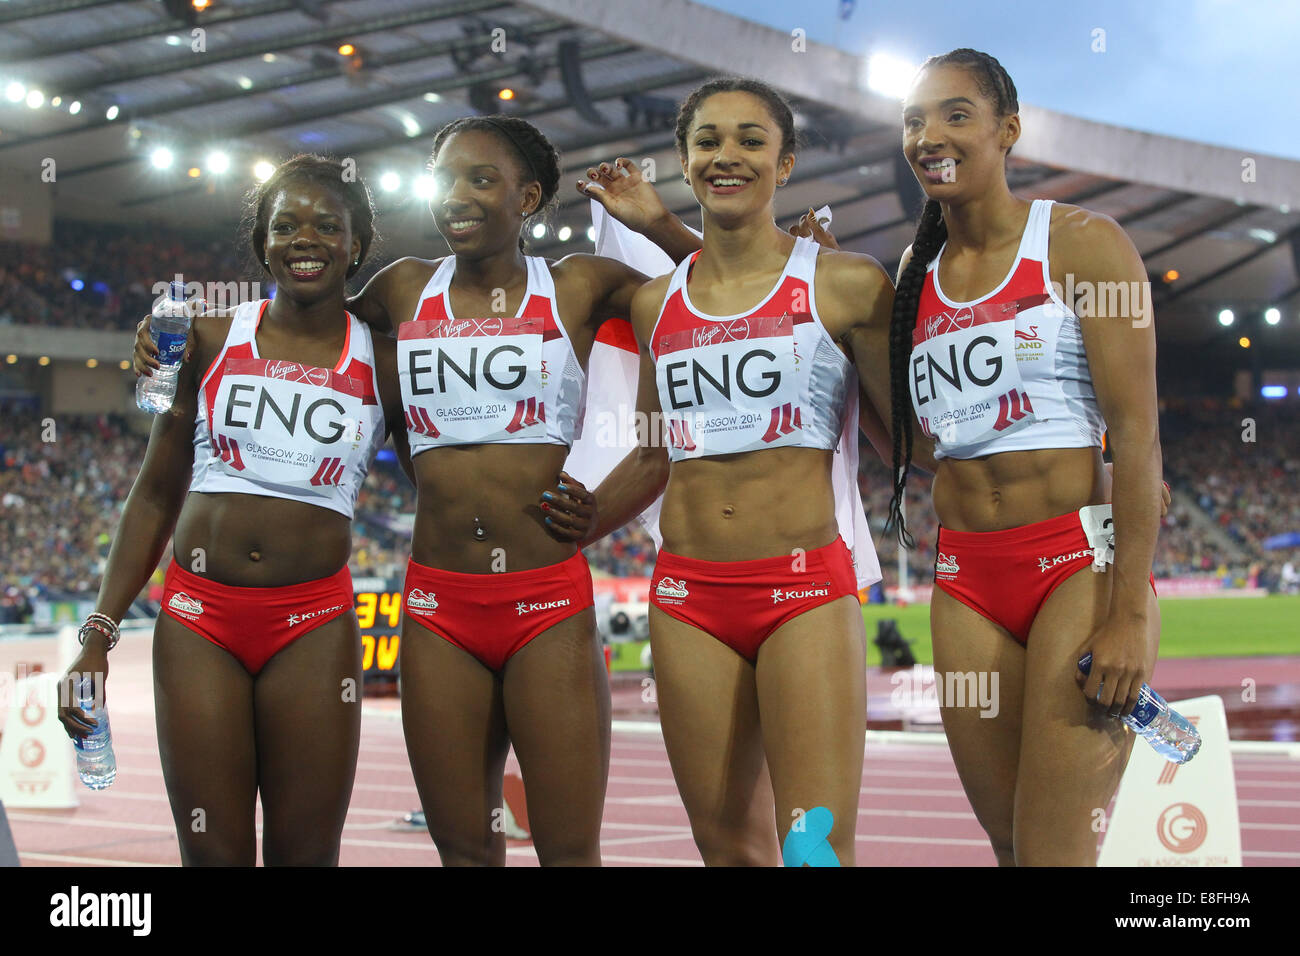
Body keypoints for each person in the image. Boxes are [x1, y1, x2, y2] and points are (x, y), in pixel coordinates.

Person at [136, 118, 701, 865]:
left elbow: (717, 299)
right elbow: (298, 317)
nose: (457, 197)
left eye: (482, 179)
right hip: (438, 609)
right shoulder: (402, 287)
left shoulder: (579, 285)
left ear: (529, 196)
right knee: (464, 851)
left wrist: (661, 225)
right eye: (446, 180)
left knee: (568, 852)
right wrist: (170, 334)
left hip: (546, 602)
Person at [556, 78, 899, 866]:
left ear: (785, 163)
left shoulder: (847, 284)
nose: (727, 155)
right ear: (684, 158)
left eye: (751, 139)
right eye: (708, 141)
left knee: (815, 847)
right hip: (686, 596)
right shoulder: (654, 304)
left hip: (805, 592)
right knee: (723, 845)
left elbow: (905, 439)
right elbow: (649, 454)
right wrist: (583, 521)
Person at [59, 155, 409, 866]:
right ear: (262, 245)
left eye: (325, 227)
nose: (303, 239)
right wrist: (98, 632)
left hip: (313, 625)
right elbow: (156, 492)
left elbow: (445, 477)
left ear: (356, 246)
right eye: (285, 226)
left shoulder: (386, 359)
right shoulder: (208, 338)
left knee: (304, 856)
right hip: (199, 622)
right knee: (211, 855)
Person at [880, 49, 1164, 865]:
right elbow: (915, 438)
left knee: (1055, 850)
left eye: (955, 115)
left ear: (1010, 130)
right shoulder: (913, 278)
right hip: (965, 576)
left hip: (1075, 564)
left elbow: (1138, 435)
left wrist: (1128, 613)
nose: (928, 135)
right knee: (1010, 846)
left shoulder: (1082, 244)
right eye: (912, 122)